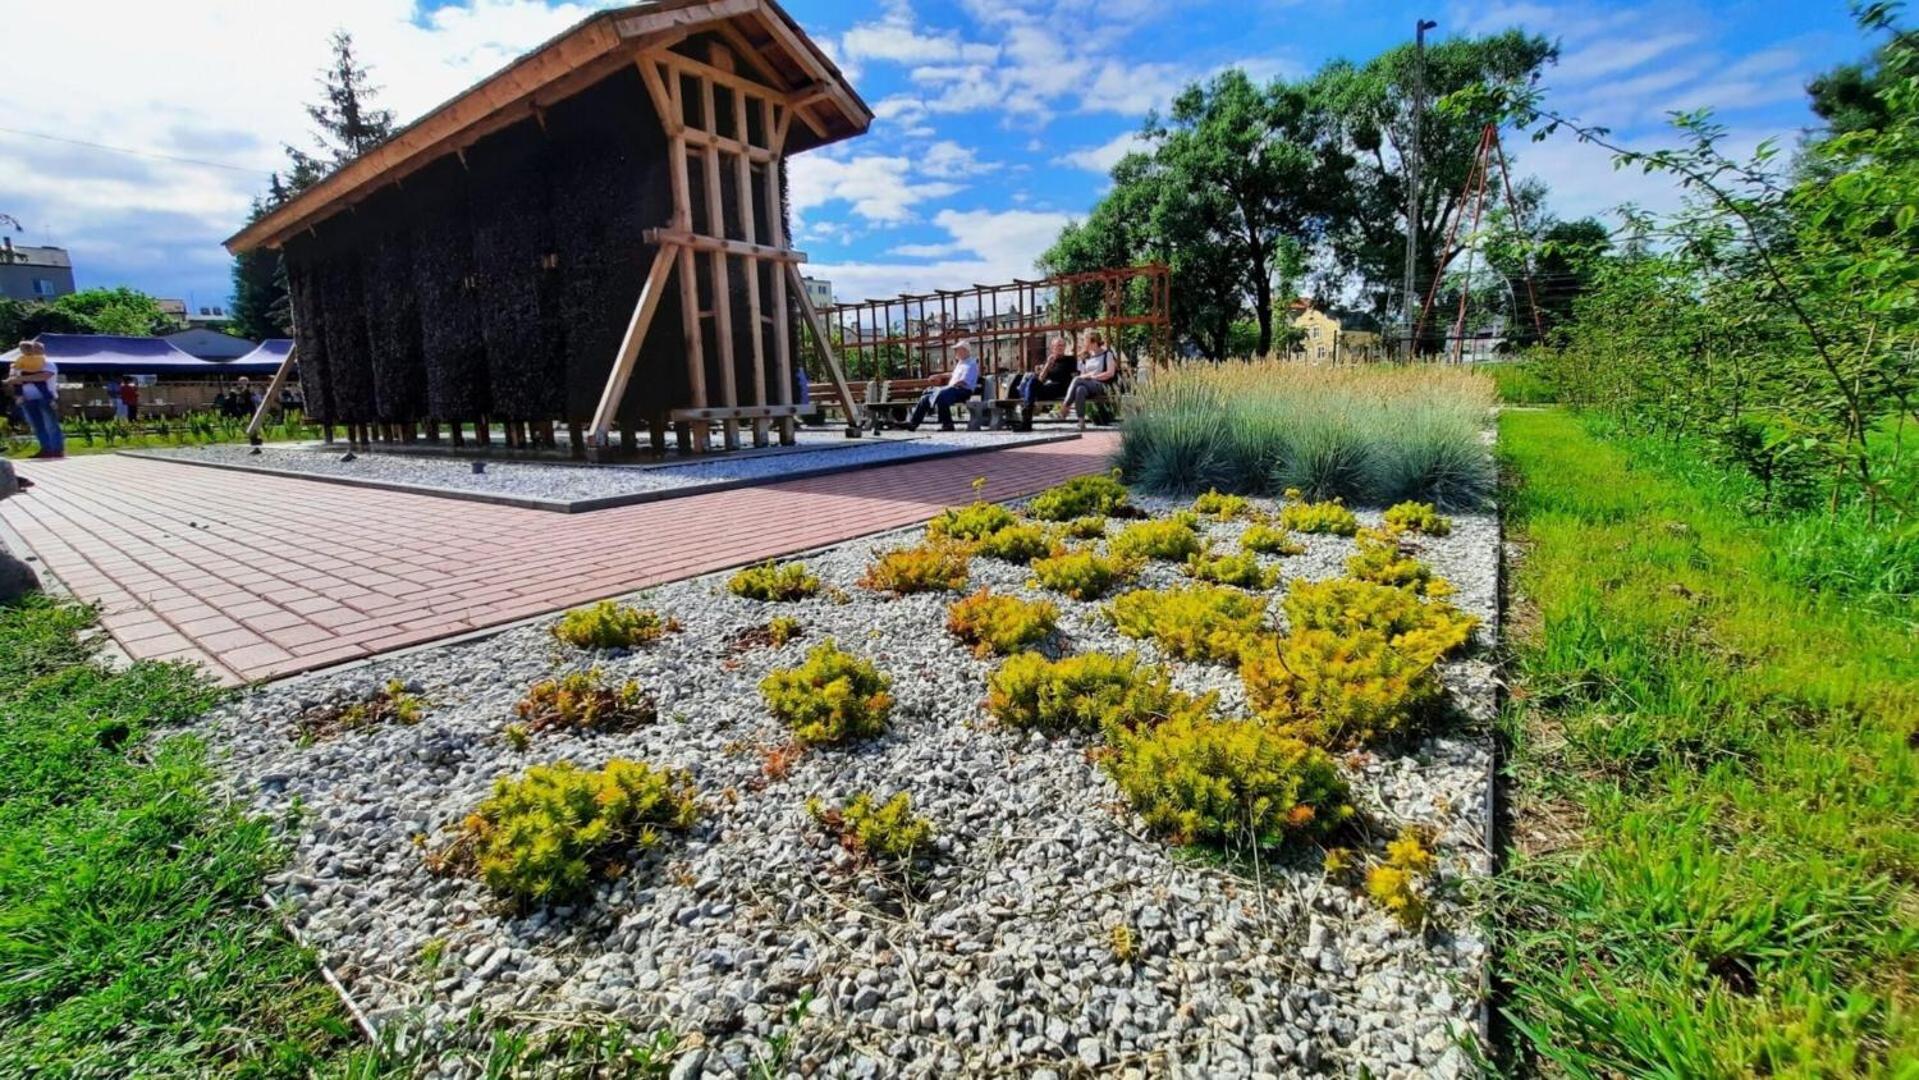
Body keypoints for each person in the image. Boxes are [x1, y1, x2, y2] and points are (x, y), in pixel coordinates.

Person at [903, 340, 980, 432]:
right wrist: (939, 376)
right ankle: (913, 424)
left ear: (965, 350)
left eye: (957, 350)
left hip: (963, 391)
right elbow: (953, 375)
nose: (955, 352)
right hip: (952, 390)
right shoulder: (961, 363)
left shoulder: (971, 363)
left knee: (942, 394)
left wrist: (948, 387)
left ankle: (947, 425)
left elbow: (964, 381)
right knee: (926, 396)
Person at [6, 341, 65, 459]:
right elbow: (13, 379)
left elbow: (43, 376)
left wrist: (21, 378)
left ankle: (56, 449)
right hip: (27, 399)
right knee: (37, 426)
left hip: (45, 398)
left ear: (42, 350)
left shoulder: (48, 363)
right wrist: (14, 376)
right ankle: (46, 449)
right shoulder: (21, 363)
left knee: (50, 424)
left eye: (36, 349)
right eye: (32, 349)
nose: (33, 351)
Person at [1018, 336, 1078, 427]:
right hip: (1047, 388)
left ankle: (1026, 419)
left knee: (1027, 388)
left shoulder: (1070, 360)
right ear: (1052, 348)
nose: (1060, 348)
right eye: (1058, 346)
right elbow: (1041, 379)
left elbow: (1074, 377)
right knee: (1032, 381)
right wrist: (1047, 365)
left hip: (1060, 388)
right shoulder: (1050, 360)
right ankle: (1027, 418)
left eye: (1062, 345)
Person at [1062, 332, 1119, 422]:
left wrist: (1093, 377)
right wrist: (1086, 376)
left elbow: (1110, 373)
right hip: (1088, 385)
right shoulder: (1086, 356)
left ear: (1094, 343)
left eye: (1086, 342)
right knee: (1080, 389)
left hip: (1102, 385)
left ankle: (1065, 406)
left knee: (1077, 379)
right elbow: (1083, 375)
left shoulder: (1107, 354)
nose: (1085, 344)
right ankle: (1081, 421)